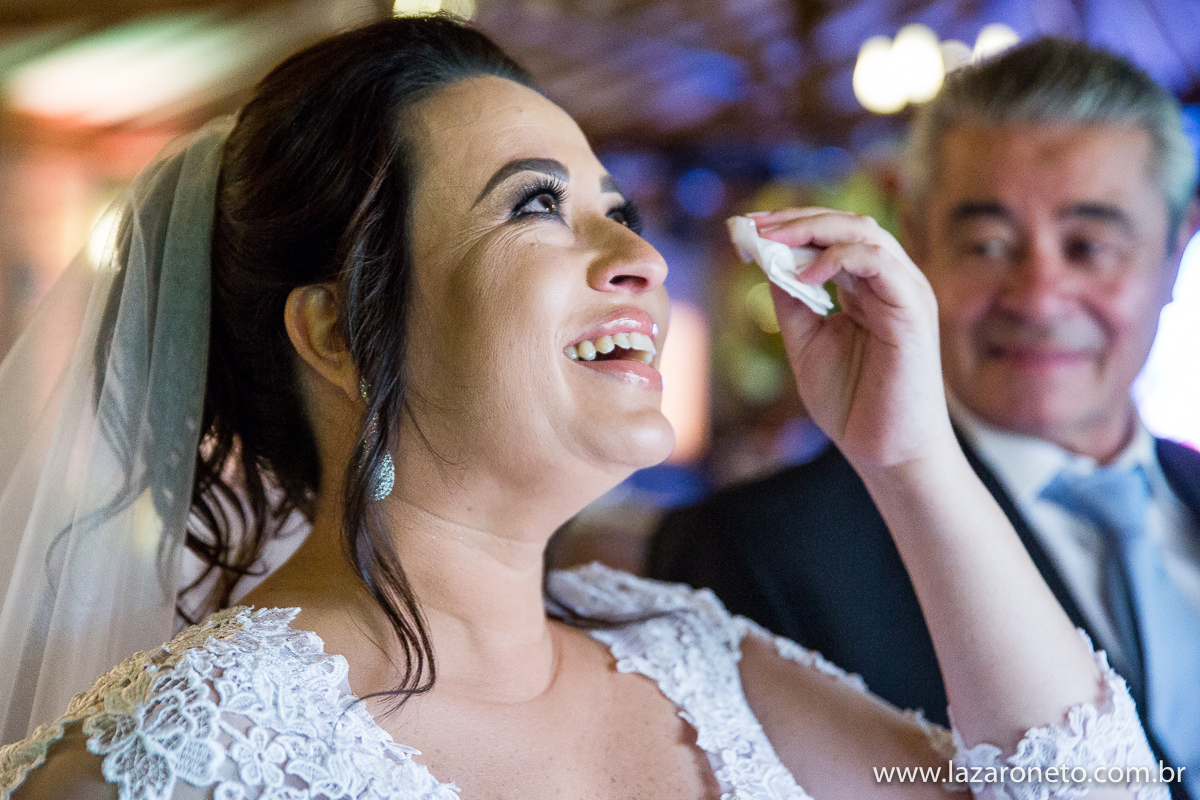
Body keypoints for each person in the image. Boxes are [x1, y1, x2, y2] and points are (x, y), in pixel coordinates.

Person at [0, 18, 1168, 800]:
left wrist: (910, 459)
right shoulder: (182, 749)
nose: (640, 259)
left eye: (619, 210)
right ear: (340, 331)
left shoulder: (695, 658)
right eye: (534, 206)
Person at [650, 37, 1200, 800]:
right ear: (916, 242)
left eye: (1089, 245)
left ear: (1176, 249)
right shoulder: (760, 550)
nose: (1038, 298)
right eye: (987, 244)